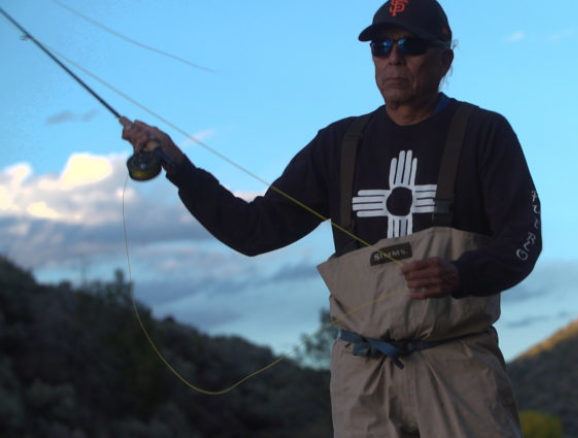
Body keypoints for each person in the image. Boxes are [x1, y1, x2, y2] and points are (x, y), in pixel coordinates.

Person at [122, 1, 541, 436]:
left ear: (445, 59)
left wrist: (459, 274)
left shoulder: (485, 133)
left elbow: (523, 239)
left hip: (457, 363)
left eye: (411, 45)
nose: (393, 58)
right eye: (381, 46)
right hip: (362, 376)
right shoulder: (339, 144)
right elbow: (252, 230)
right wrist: (180, 168)